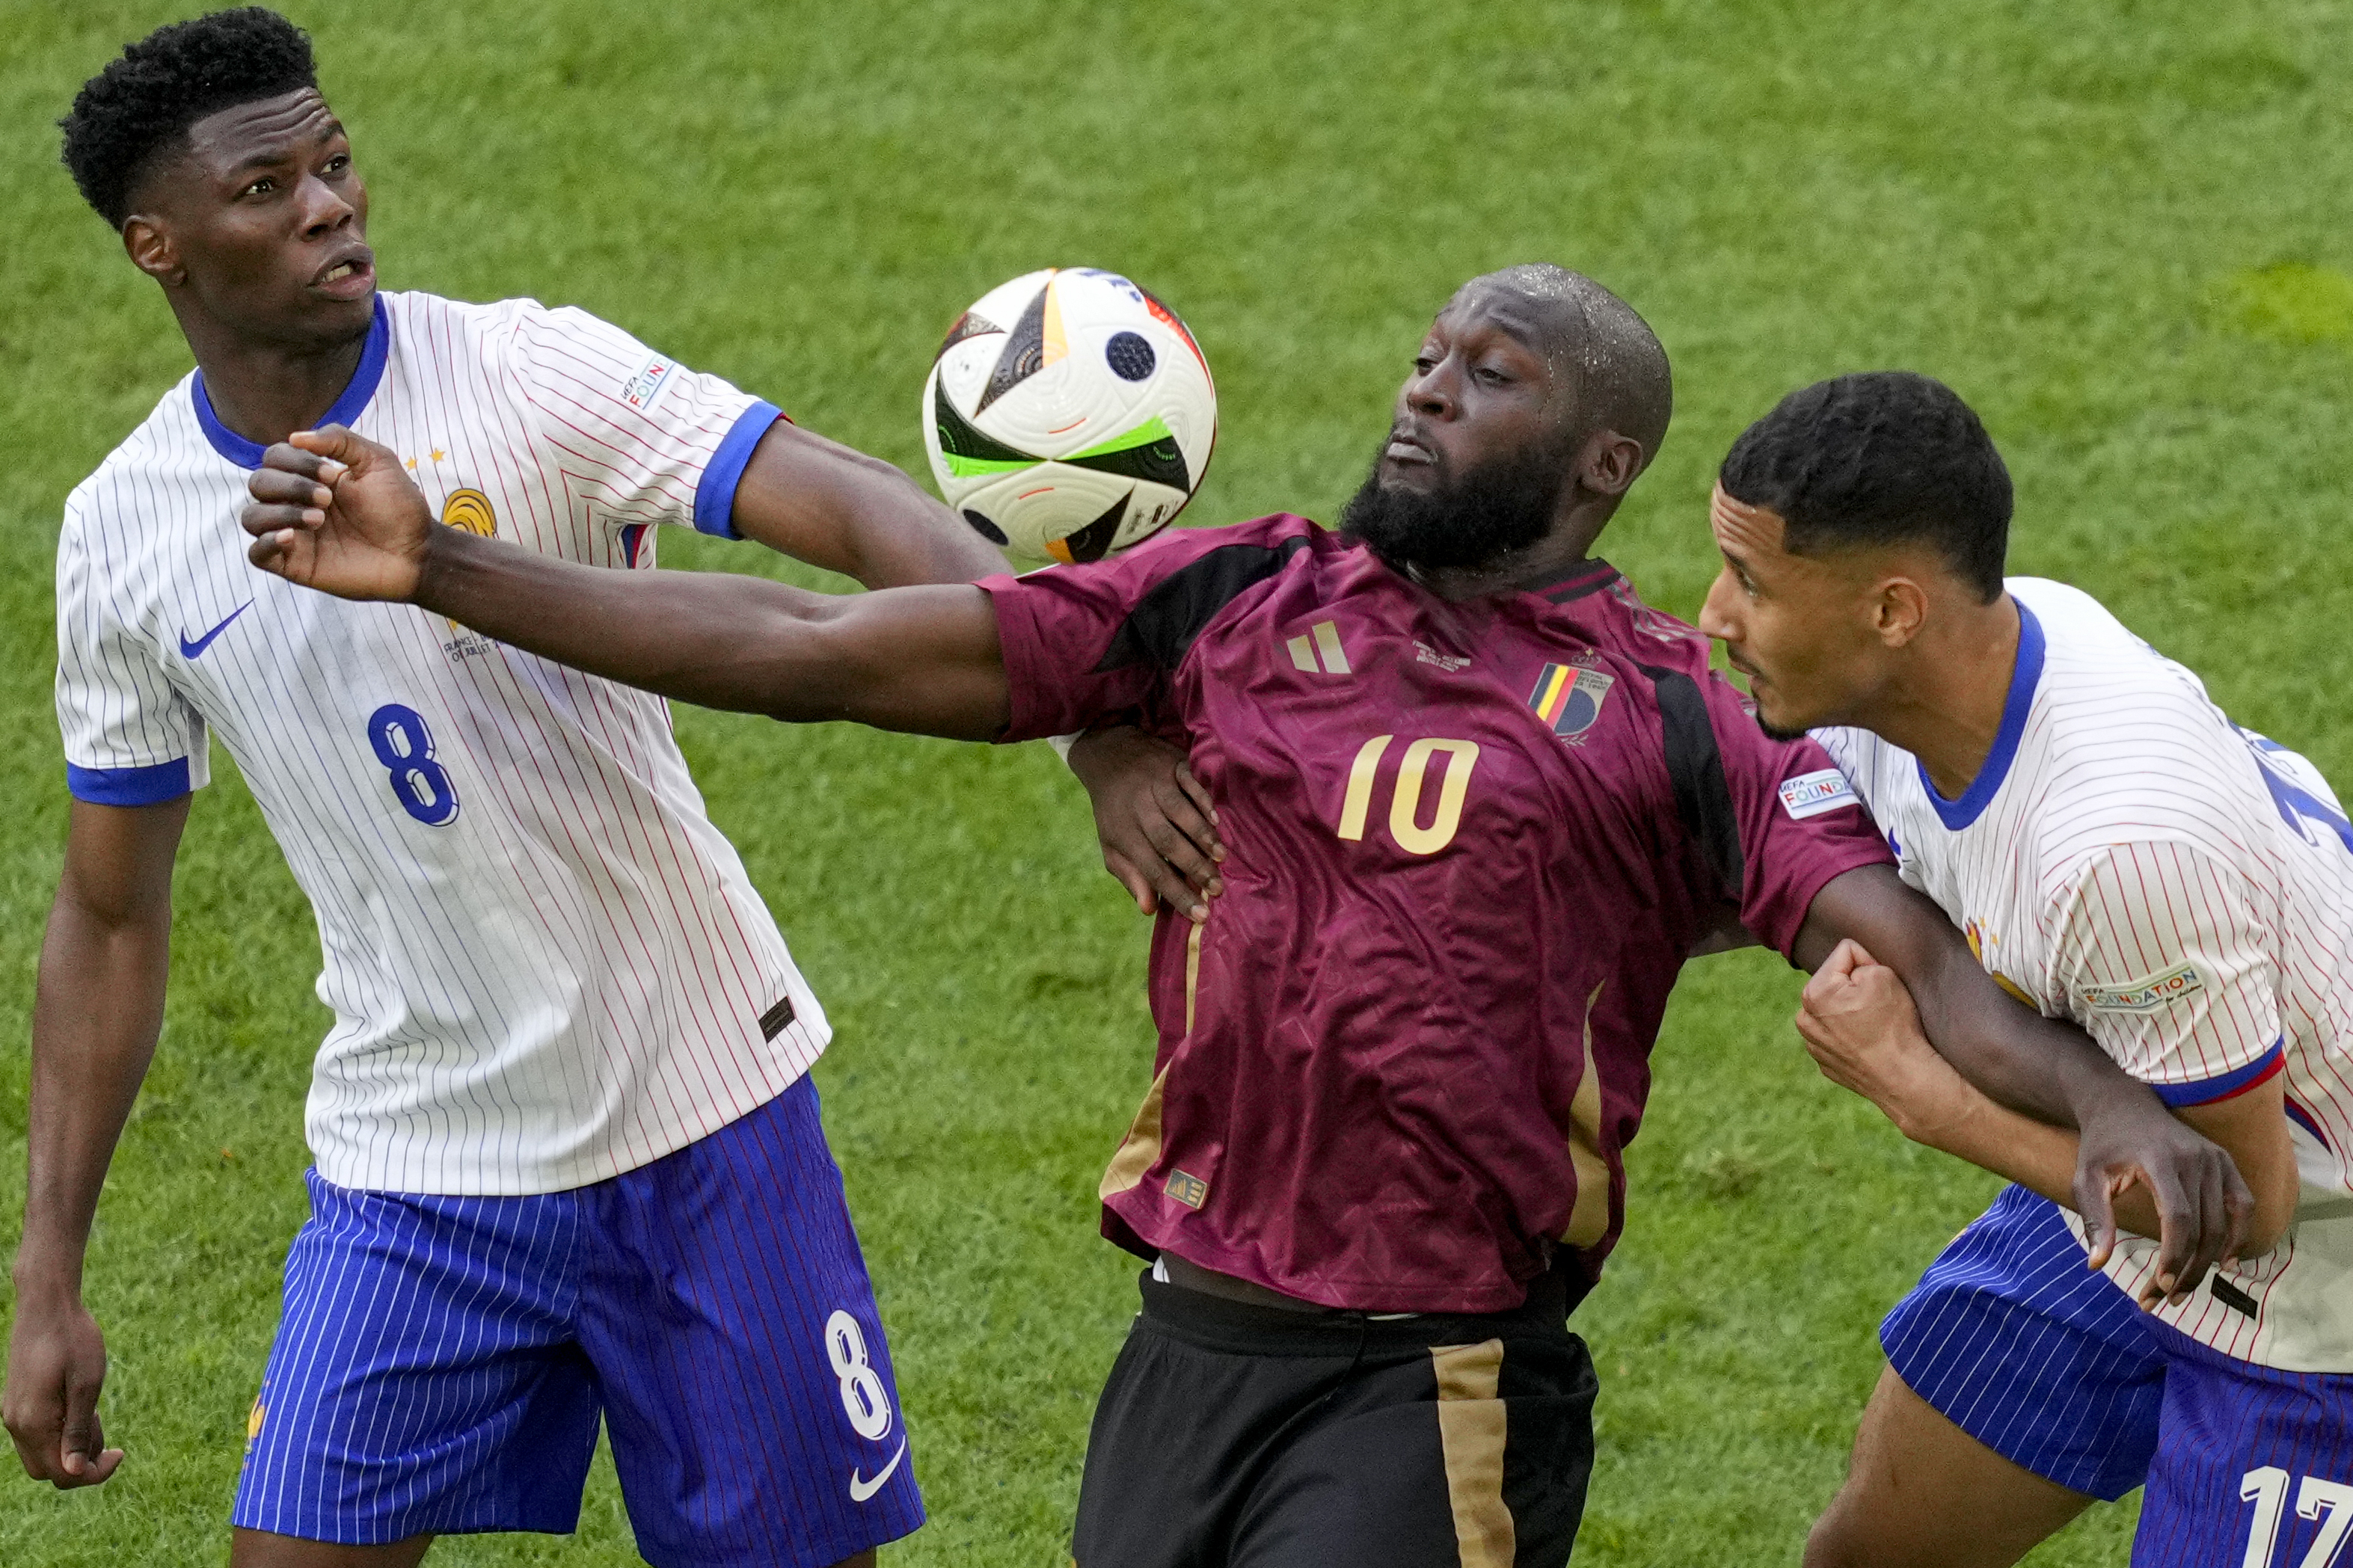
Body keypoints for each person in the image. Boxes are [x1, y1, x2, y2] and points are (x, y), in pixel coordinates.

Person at [239, 261, 2250, 1566]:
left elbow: (1901, 951)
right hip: (1185, 1343)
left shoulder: (1664, 715)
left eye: (1492, 374)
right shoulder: (1237, 598)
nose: (1425, 387)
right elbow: (819, 638)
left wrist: (2112, 1112)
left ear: (1599, 459)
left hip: (1437, 1372)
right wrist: (453, 578)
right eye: (1427, 353)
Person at [6, 10, 1191, 1566]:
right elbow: (109, 912)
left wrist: (1090, 722)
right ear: (157, 242)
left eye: (337, 162)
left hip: (707, 1107)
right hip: (415, 1160)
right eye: (267, 188)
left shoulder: (525, 369)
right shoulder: (126, 532)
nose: (328, 205)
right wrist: (48, 1270)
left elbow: (851, 509)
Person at [1693, 371, 2353, 1568]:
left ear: (1892, 610)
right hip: (2135, 1172)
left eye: (1751, 582)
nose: (1713, 614)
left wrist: (1924, 1097)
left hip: (2320, 1291)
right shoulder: (1929, 679)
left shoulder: (2115, 850)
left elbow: (2248, 1212)